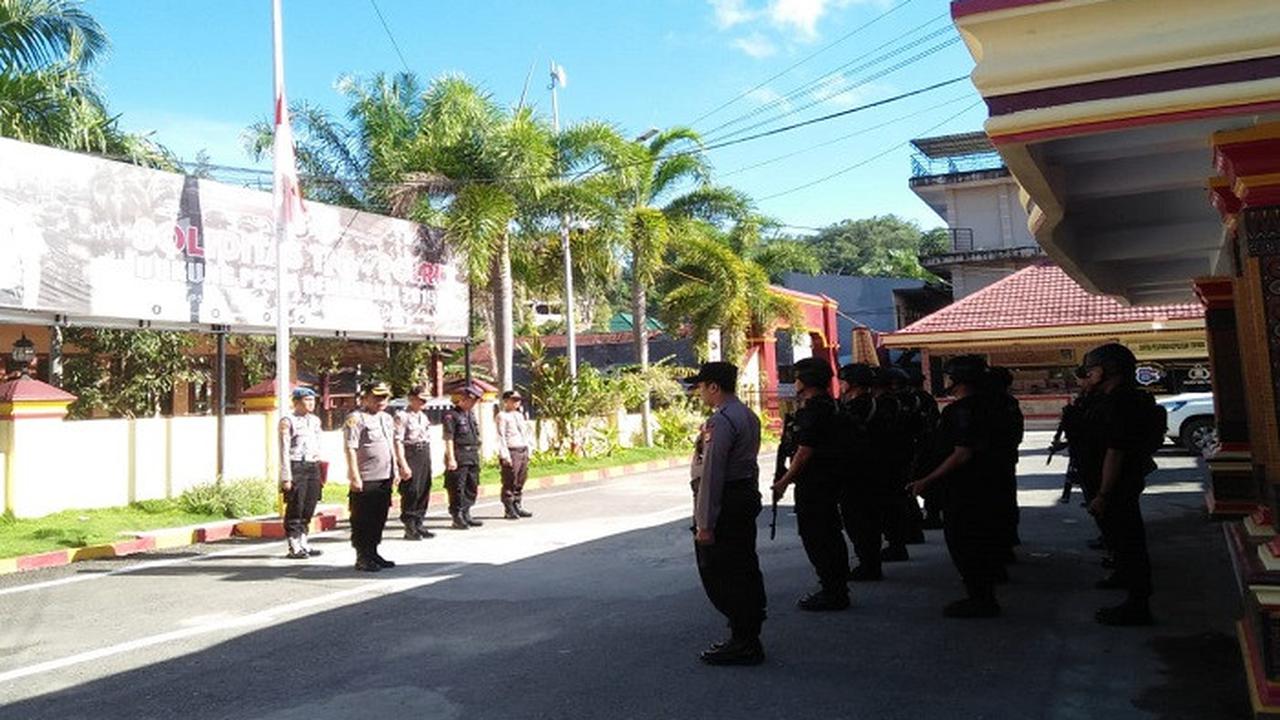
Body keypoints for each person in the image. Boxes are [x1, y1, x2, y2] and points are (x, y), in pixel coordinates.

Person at [907, 355, 1004, 618]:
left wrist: (928, 480)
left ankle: (980, 598)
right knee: (978, 540)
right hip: (985, 483)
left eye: (950, 376)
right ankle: (982, 593)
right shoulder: (991, 405)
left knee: (965, 543)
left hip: (965, 487)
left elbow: (962, 453)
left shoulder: (962, 410)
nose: (946, 380)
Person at [687, 361, 766, 666]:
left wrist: (705, 523)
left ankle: (744, 640)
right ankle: (745, 634)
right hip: (742, 497)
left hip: (725, 503)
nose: (700, 393)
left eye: (702, 386)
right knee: (744, 566)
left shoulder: (720, 422)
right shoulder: (748, 415)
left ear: (714, 387)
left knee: (722, 571)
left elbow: (712, 474)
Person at [1073, 343, 1159, 626]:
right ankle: (1124, 576)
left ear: (1106, 371)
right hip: (1111, 483)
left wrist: (1103, 493)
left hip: (1117, 485)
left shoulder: (1122, 403)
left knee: (1128, 539)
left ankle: (1138, 604)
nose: (1087, 375)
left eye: (1091, 370)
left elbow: (1115, 450)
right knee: (1119, 538)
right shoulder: (1106, 399)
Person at [773, 357, 850, 611]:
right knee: (829, 533)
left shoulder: (813, 411)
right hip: (831, 479)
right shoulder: (833, 406)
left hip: (815, 482)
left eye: (796, 377)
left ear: (804, 381)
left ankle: (832, 590)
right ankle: (837, 586)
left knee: (817, 535)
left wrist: (784, 481)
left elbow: (804, 452)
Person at [837, 362, 884, 582]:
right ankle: (870, 561)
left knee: (859, 520)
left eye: (844, 380)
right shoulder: (876, 404)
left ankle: (869, 564)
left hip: (857, 471)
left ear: (853, 384)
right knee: (868, 518)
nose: (841, 384)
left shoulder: (856, 408)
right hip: (874, 469)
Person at [345, 381, 397, 572]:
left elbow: (391, 445)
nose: (381, 401)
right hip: (366, 477)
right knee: (363, 519)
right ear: (365, 397)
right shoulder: (356, 419)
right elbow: (350, 448)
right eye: (376, 397)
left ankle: (373, 551)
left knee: (379, 517)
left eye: (384, 397)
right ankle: (362, 556)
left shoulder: (386, 418)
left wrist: (396, 470)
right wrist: (354, 475)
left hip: (385, 475)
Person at [871, 367, 912, 563]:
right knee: (896, 502)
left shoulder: (882, 405)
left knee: (889, 505)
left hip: (886, 461)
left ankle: (896, 544)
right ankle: (899, 541)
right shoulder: (900, 403)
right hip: (899, 458)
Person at [279, 386, 324, 559]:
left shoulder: (315, 420)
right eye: (307, 400)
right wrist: (286, 477)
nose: (311, 403)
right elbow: (284, 450)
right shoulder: (288, 421)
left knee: (309, 506)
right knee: (296, 506)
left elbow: (318, 444)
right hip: (296, 465)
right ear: (297, 402)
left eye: (313, 400)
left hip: (312, 465)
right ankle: (294, 545)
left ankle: (304, 541)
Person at [394, 385, 435, 540]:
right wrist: (402, 463)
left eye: (425, 400)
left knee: (424, 487)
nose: (424, 402)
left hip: (423, 451)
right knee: (411, 489)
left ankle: (419, 522)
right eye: (421, 399)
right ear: (411, 398)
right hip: (410, 452)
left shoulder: (423, 416)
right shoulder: (402, 416)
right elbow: (398, 441)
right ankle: (410, 525)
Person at [443, 384, 485, 530]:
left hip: (472, 454)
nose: (474, 404)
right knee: (457, 487)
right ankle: (457, 516)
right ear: (464, 399)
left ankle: (467, 513)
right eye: (472, 400)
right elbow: (448, 438)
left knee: (472, 485)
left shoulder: (470, 414)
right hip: (459, 454)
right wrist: (451, 458)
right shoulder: (451, 415)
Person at [496, 390, 534, 520]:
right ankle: (509, 507)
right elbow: (501, 436)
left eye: (518, 400)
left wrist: (529, 449)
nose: (517, 402)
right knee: (510, 479)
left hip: (522, 449)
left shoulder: (519, 415)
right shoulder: (502, 416)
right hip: (511, 450)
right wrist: (504, 454)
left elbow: (525, 434)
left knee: (521, 479)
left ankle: (517, 504)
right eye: (514, 400)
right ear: (506, 401)